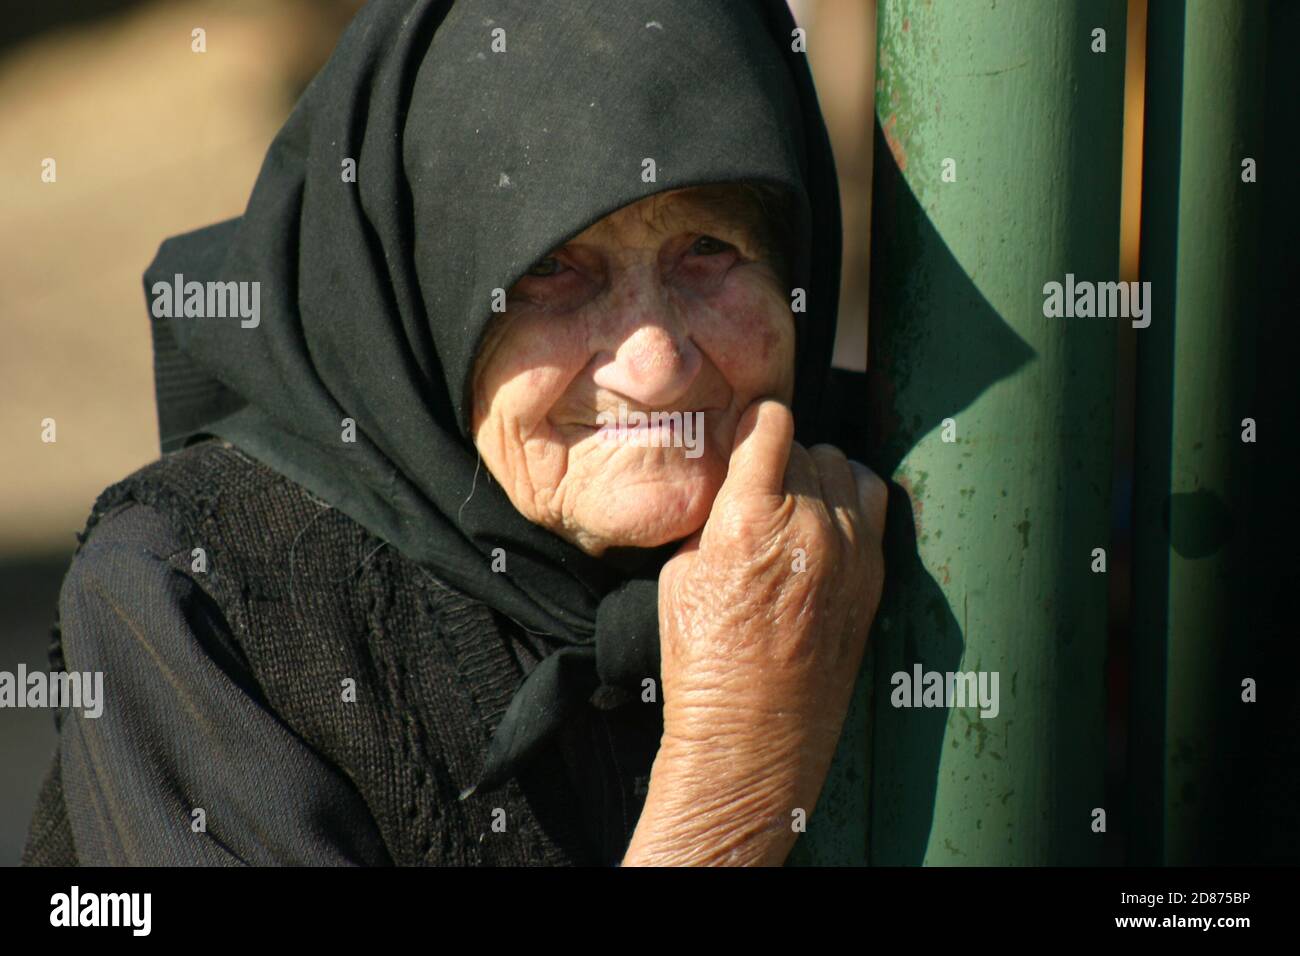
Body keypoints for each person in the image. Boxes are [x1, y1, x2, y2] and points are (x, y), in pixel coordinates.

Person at [22, 0, 886, 867]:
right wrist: (733, 786)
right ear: (420, 291)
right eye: (551, 268)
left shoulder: (912, 523)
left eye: (709, 248)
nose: (654, 364)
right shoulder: (200, 605)